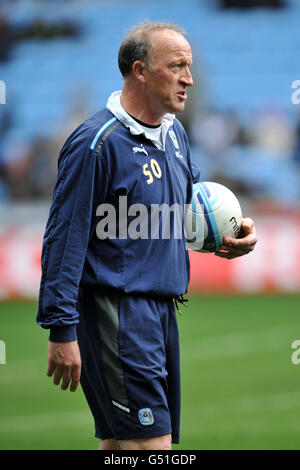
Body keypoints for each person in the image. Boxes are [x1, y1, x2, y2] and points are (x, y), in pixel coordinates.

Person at [36, 22, 257, 451]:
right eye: (177, 66)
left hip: (161, 312)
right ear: (140, 70)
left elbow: (188, 205)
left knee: (125, 444)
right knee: (152, 446)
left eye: (189, 67)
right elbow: (63, 240)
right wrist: (61, 330)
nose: (189, 78)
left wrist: (228, 237)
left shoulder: (174, 133)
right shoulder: (95, 144)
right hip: (115, 313)